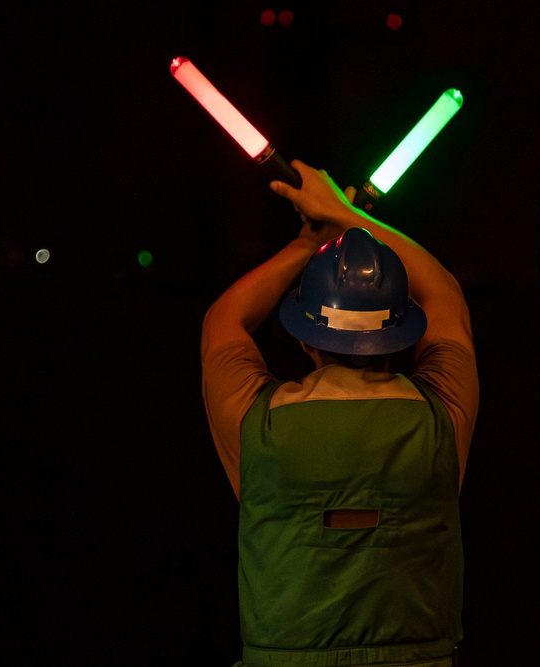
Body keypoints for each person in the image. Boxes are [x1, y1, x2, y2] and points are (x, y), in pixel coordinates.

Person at [201, 159, 479, 667]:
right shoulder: (441, 418)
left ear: (306, 339)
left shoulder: (256, 425)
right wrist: (345, 214)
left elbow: (223, 321)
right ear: (399, 336)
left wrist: (311, 240)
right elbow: (444, 294)